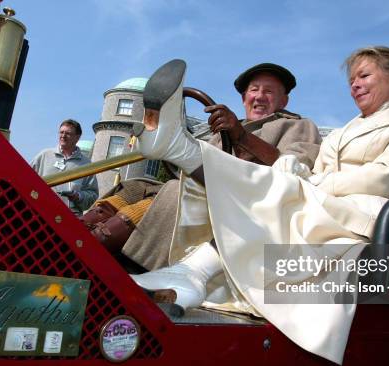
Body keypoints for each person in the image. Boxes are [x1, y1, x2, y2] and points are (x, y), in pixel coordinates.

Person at [130, 46, 389, 365]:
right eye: (352, 79)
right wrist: (299, 173)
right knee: (275, 183)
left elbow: (386, 178)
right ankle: (190, 273)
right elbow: (316, 172)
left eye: (365, 76)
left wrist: (311, 183)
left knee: (277, 188)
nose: (355, 84)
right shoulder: (342, 133)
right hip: (322, 205)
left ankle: (182, 151)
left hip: (362, 213)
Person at [82, 64, 322, 269]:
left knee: (175, 193)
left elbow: (293, 171)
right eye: (254, 90)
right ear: (244, 98)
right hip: (208, 191)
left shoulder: (297, 126)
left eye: (269, 92)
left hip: (247, 206)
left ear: (284, 100)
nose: (259, 96)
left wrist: (240, 137)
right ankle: (79, 233)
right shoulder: (224, 127)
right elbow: (194, 170)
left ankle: (96, 256)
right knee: (137, 186)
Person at [31, 119, 98, 216]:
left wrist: (78, 196)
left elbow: (93, 195)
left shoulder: (87, 164)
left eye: (68, 133)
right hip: (39, 212)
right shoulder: (44, 155)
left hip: (67, 218)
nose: (63, 136)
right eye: (61, 132)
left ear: (77, 137)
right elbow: (25, 177)